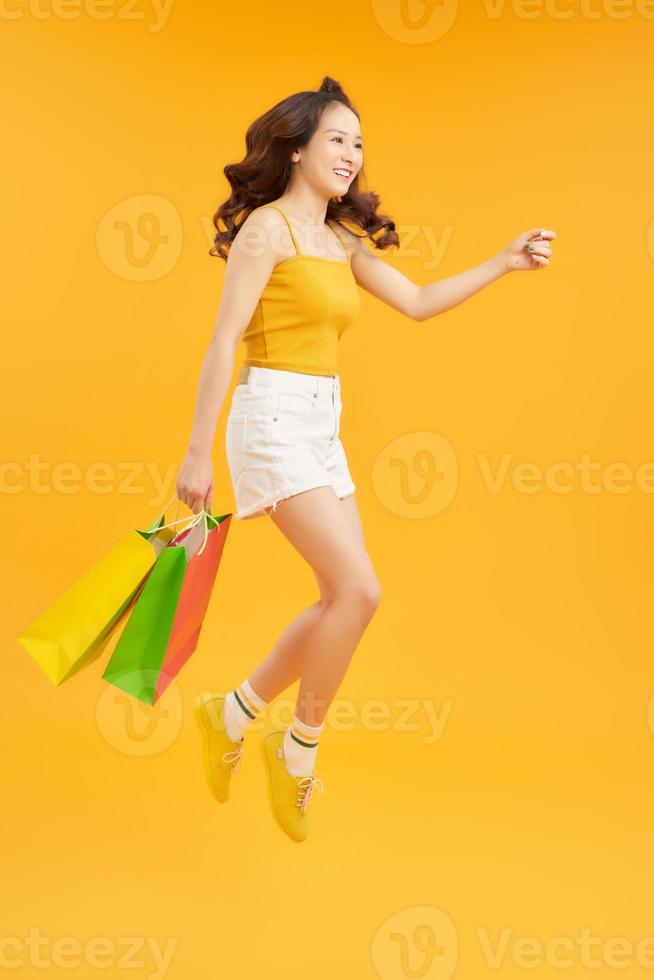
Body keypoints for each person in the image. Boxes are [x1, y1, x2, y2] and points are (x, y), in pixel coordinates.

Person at [178, 75, 556, 842]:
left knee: (336, 601)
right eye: (337, 139)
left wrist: (500, 262)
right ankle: (298, 751)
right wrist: (196, 453)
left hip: (321, 422)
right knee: (360, 591)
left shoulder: (340, 241)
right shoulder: (265, 233)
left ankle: (233, 712)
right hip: (271, 419)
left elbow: (416, 303)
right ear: (296, 148)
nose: (352, 155)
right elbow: (222, 343)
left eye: (358, 142)